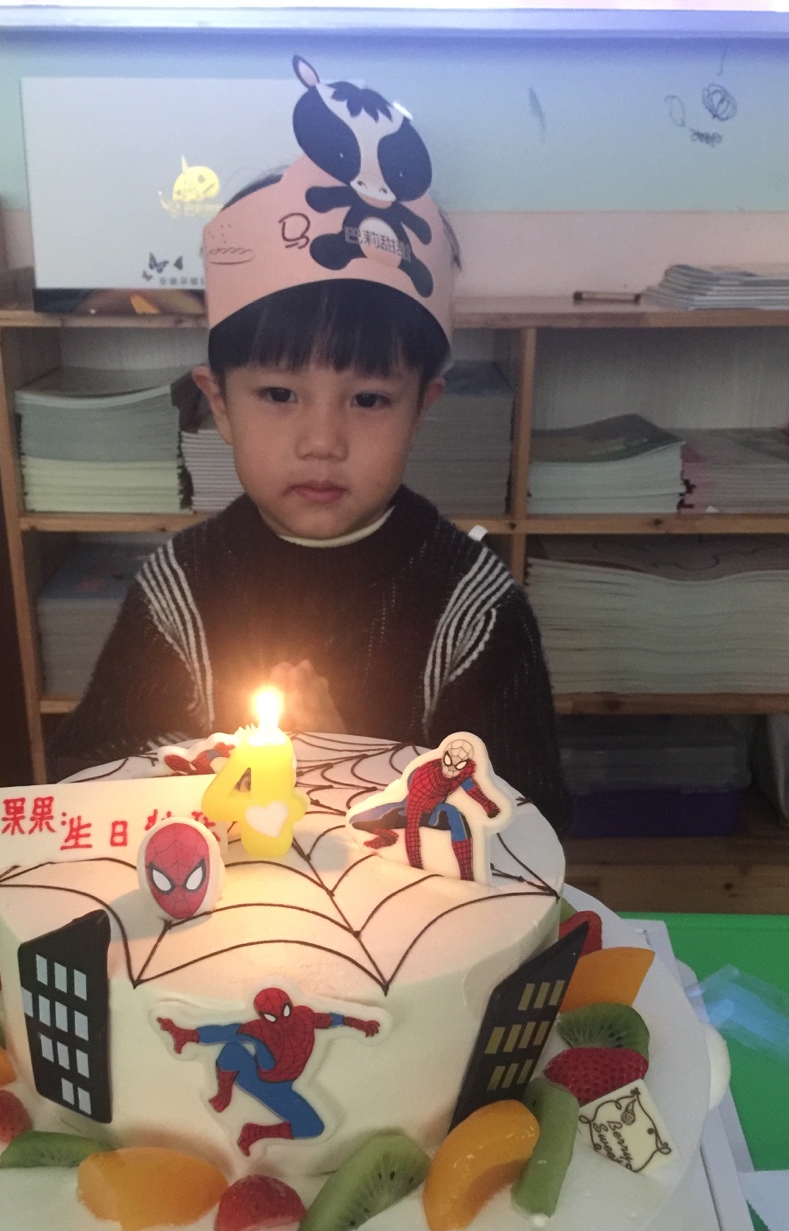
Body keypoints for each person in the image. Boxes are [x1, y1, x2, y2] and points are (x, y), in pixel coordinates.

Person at [49, 57, 569, 836]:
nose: (322, 441)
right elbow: (86, 779)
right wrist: (209, 765)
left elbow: (530, 830)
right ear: (219, 404)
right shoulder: (179, 588)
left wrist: (347, 761)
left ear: (421, 409)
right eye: (279, 395)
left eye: (369, 399)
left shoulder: (474, 607)